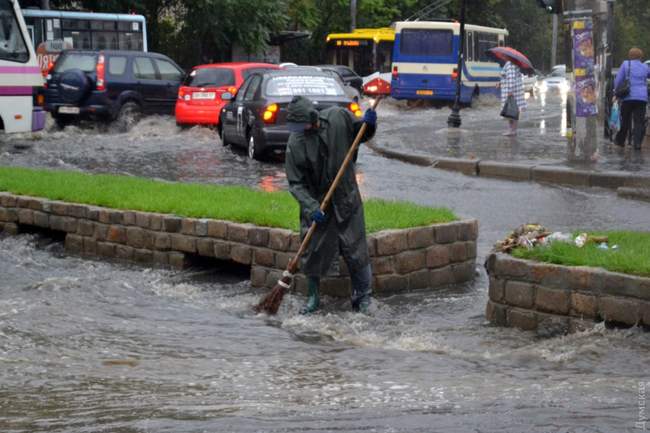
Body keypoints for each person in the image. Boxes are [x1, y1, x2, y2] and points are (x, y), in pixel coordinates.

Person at [284, 96, 377, 315]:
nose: (299, 130)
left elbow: (361, 133)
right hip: (318, 203)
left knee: (356, 249)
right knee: (313, 249)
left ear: (312, 117)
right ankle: (313, 297)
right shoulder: (295, 143)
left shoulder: (338, 117)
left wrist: (370, 123)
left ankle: (363, 297)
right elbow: (295, 184)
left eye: (302, 125)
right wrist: (311, 207)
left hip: (346, 197)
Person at [614, 47, 650, 150]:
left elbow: (618, 80)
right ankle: (637, 144)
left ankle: (620, 141)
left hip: (627, 97)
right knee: (639, 122)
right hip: (642, 98)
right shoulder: (645, 67)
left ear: (630, 55)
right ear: (640, 56)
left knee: (625, 120)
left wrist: (615, 92)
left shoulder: (626, 64)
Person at [500, 60, 527, 136]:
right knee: (514, 111)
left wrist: (510, 91)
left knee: (511, 112)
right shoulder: (515, 64)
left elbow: (511, 78)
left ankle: (511, 130)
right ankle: (513, 130)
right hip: (516, 91)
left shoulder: (509, 64)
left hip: (511, 91)